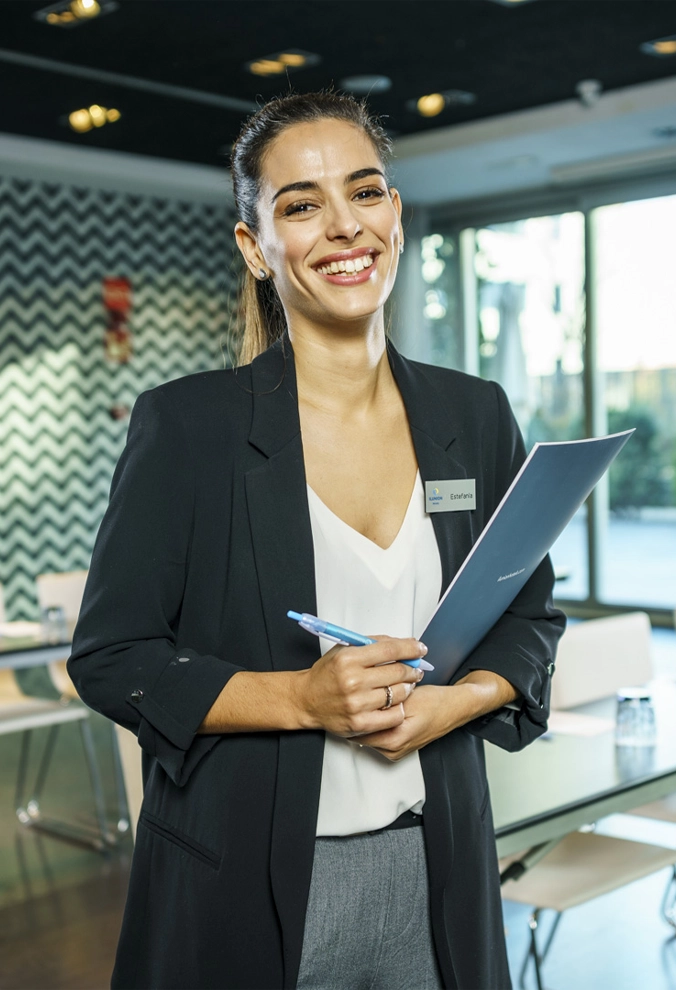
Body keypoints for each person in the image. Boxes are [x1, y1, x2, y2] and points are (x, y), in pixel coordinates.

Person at [68, 91, 565, 990]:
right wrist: (302, 697)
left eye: (365, 192)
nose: (344, 226)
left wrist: (457, 702)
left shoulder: (475, 413)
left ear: (396, 216)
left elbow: (528, 616)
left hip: (439, 863)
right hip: (242, 879)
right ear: (256, 247)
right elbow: (112, 657)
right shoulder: (189, 427)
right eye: (301, 205)